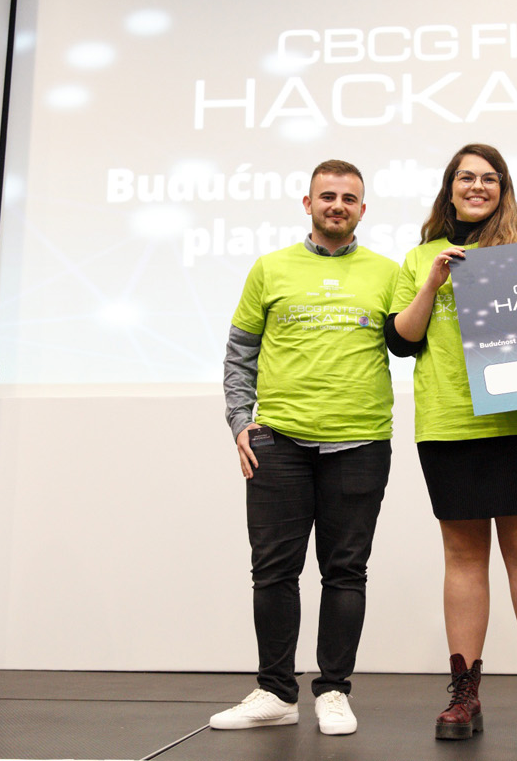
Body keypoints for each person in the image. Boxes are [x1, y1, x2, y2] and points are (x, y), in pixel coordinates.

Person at [387, 143, 517, 743]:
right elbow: (402, 340)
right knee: (464, 557)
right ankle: (464, 695)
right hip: (449, 424)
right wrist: (433, 281)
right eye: (466, 177)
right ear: (449, 188)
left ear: (503, 189)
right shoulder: (420, 257)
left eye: (489, 178)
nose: (477, 186)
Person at [212, 160, 399, 737]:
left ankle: (334, 691)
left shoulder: (389, 273)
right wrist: (240, 422)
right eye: (327, 196)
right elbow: (240, 352)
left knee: (346, 572)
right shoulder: (270, 268)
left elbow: (411, 339)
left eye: (349, 198)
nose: (337, 205)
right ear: (308, 203)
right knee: (273, 572)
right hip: (279, 443)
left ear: (362, 209)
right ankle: (275, 692)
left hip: (361, 441)